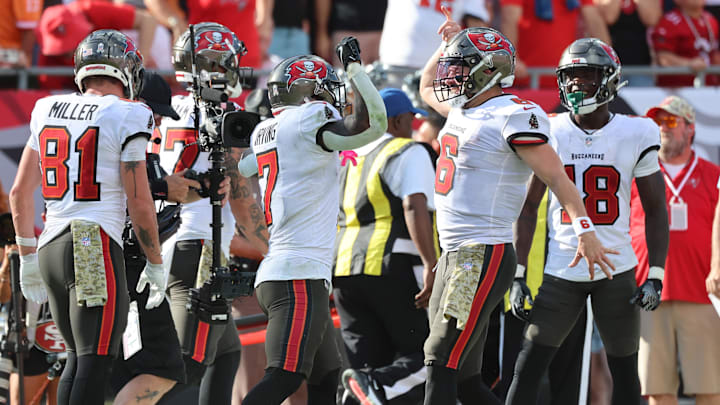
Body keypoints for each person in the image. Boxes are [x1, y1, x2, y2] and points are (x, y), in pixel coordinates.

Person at [417, 9, 615, 404]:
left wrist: (586, 231)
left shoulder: (513, 114)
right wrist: (446, 46)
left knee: (440, 360)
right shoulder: (463, 107)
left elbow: (559, 179)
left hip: (480, 253)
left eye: (460, 66)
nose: (450, 75)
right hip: (454, 252)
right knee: (465, 378)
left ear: (487, 71)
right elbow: (426, 85)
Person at [505, 38, 669, 405]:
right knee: (527, 367)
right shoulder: (549, 129)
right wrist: (518, 275)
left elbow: (657, 209)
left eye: (586, 76)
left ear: (609, 80)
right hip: (562, 270)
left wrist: (655, 275)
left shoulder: (636, 132)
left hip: (617, 270)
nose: (576, 84)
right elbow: (527, 207)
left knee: (625, 374)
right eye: (571, 77)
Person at [9, 29, 165, 405]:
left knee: (77, 359)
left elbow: (18, 193)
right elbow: (140, 199)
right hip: (90, 243)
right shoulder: (131, 113)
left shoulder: (46, 107)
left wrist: (28, 257)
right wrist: (156, 262)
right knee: (95, 361)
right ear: (127, 70)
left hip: (50, 244)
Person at [237, 36, 388, 405]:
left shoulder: (265, 131)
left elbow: (244, 166)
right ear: (307, 94)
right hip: (298, 274)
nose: (332, 98)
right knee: (285, 377)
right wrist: (355, 71)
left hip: (287, 270)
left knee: (326, 378)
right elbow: (373, 126)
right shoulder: (309, 119)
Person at [154, 22, 269, 405]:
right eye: (220, 63)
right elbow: (239, 194)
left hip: (170, 239)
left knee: (225, 354)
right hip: (198, 246)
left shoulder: (169, 108)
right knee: (189, 367)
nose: (226, 70)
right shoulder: (221, 113)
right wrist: (271, 247)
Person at [333, 87, 437, 405]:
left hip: (344, 268)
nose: (412, 127)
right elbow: (414, 207)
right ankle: (374, 385)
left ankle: (361, 390)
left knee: (363, 366)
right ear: (394, 121)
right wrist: (432, 264)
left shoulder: (344, 158)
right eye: (409, 120)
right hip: (393, 265)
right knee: (429, 358)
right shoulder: (407, 150)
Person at [110, 71, 206, 405]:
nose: (161, 120)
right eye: (157, 112)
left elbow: (151, 190)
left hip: (94, 256)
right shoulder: (123, 136)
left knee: (90, 365)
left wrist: (200, 187)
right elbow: (131, 195)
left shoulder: (109, 134)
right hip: (125, 262)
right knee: (165, 366)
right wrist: (153, 260)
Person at [630, 95, 720, 405]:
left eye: (670, 121)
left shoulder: (713, 174)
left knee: (710, 386)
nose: (663, 128)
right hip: (650, 290)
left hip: (702, 292)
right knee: (656, 387)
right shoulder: (638, 172)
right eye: (657, 122)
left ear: (690, 128)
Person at [35, 1, 158, 90]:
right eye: (61, 48)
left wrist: (139, 63)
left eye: (71, 43)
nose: (67, 51)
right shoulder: (48, 57)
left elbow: (148, 20)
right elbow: (52, 93)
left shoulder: (92, 9)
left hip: (119, 72)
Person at [500, 0, 610, 88]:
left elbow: (593, 20)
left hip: (566, 80)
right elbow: (509, 17)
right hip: (527, 81)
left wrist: (607, 58)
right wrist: (513, 59)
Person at [651, 0, 720, 86]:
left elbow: (714, 55)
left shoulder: (711, 20)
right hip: (677, 89)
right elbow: (663, 58)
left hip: (709, 88)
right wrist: (689, 64)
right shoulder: (669, 22)